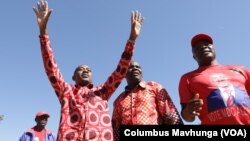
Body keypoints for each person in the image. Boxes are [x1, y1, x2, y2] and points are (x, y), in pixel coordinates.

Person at [33, 0, 144, 140]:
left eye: (88, 70)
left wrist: (132, 39)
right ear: (73, 77)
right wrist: (43, 32)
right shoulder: (66, 92)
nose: (85, 71)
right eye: (81, 69)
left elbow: (120, 71)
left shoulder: (103, 92)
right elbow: (51, 68)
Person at [178, 33, 250, 124]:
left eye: (207, 44)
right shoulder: (187, 78)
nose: (204, 47)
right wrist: (189, 111)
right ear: (194, 57)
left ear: (214, 49)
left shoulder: (240, 70)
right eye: (197, 47)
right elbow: (187, 117)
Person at [112, 61, 184, 140]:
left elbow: (171, 116)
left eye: (138, 67)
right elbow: (115, 128)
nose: (135, 68)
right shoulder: (118, 100)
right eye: (131, 67)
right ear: (124, 74)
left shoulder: (154, 87)